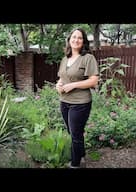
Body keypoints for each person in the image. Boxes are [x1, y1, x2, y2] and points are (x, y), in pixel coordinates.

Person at [56, 28, 99, 168]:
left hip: (80, 103)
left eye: (79, 38)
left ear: (83, 41)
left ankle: (75, 164)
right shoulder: (65, 59)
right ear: (69, 40)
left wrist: (73, 85)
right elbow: (61, 78)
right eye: (73, 37)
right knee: (73, 132)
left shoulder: (88, 58)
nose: (76, 40)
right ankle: (82, 155)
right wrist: (58, 85)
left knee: (75, 135)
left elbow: (93, 81)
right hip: (64, 102)